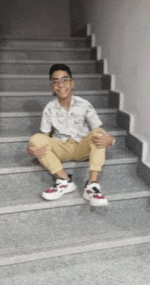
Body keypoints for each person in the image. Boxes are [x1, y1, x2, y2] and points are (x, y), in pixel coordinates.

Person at [28, 63, 115, 207]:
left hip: (82, 147)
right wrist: (32, 149)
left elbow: (99, 132)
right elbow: (44, 137)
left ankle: (92, 185)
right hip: (61, 148)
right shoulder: (49, 108)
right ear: (52, 87)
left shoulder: (84, 104)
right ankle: (63, 180)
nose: (60, 85)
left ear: (72, 83)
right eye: (55, 81)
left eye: (65, 80)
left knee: (98, 133)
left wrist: (111, 140)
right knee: (36, 139)